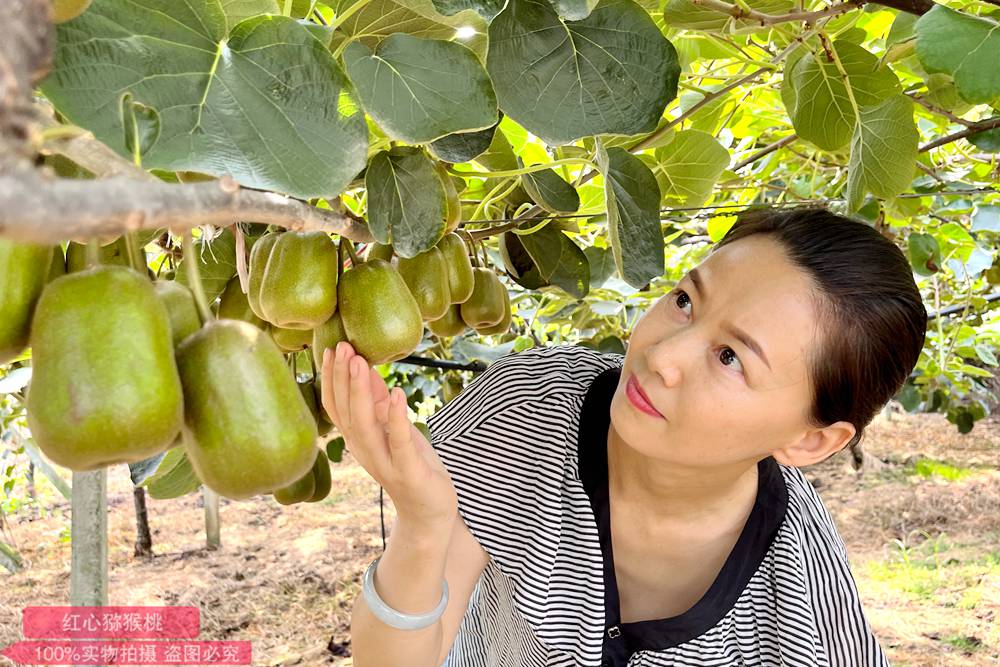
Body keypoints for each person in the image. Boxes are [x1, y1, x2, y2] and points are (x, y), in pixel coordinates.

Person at [324, 205, 927, 667]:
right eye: (686, 301)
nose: (664, 353)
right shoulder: (523, 411)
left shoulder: (801, 594)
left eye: (729, 358)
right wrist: (425, 524)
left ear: (809, 442)